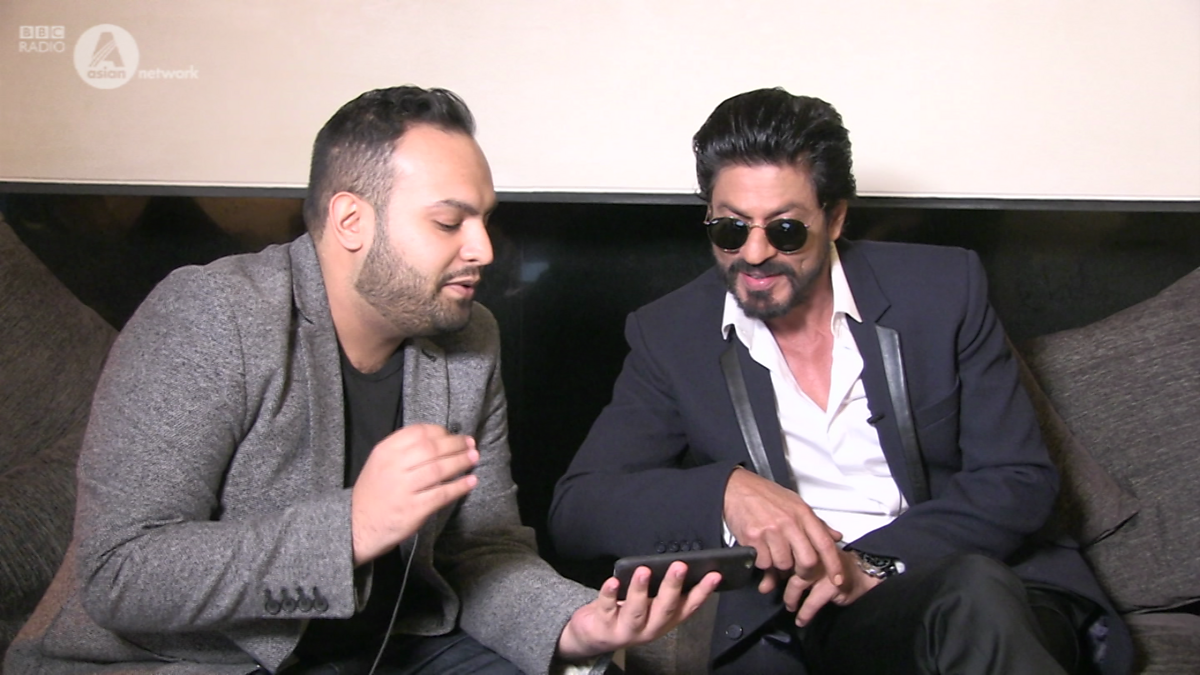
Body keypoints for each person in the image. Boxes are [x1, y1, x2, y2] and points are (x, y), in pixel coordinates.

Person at [4, 86, 719, 675]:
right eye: (449, 223)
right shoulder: (213, 316)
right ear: (351, 220)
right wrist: (352, 527)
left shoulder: (470, 338)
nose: (484, 248)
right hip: (199, 658)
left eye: (484, 220)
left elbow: (481, 551)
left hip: (393, 644)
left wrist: (571, 623)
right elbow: (121, 571)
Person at [548, 88, 1133, 675]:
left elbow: (1018, 477)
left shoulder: (943, 289)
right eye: (730, 229)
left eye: (785, 230)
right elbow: (578, 509)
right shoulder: (672, 334)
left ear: (835, 218)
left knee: (972, 592)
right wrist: (725, 491)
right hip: (816, 621)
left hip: (986, 584)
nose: (754, 253)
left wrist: (873, 562)